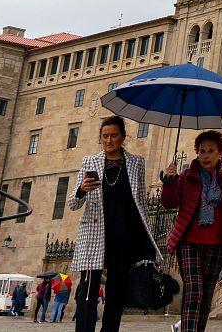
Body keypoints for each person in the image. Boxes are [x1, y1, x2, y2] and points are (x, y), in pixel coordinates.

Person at [68, 115, 159, 332]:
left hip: (124, 238)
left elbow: (141, 203)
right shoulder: (89, 162)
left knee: (116, 294)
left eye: (113, 136)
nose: (109, 140)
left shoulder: (136, 163)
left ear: (123, 137)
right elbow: (72, 204)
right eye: (105, 136)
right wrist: (81, 190)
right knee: (87, 292)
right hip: (94, 235)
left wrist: (145, 239)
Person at [160, 129, 222, 332]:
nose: (206, 155)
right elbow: (169, 202)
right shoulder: (187, 176)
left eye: (211, 151)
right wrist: (169, 181)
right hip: (188, 243)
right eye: (202, 151)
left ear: (221, 152)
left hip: (217, 245)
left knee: (206, 296)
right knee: (194, 291)